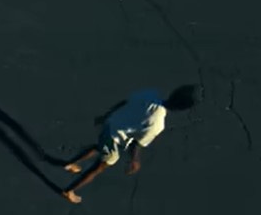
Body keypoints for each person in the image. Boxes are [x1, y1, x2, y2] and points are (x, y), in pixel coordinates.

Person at [62, 85, 199, 204]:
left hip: (109, 124)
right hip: (112, 138)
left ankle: (70, 163)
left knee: (100, 147)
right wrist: (135, 160)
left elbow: (125, 102)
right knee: (102, 165)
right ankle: (69, 191)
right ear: (180, 109)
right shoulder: (157, 124)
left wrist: (106, 115)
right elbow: (137, 144)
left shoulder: (150, 94)